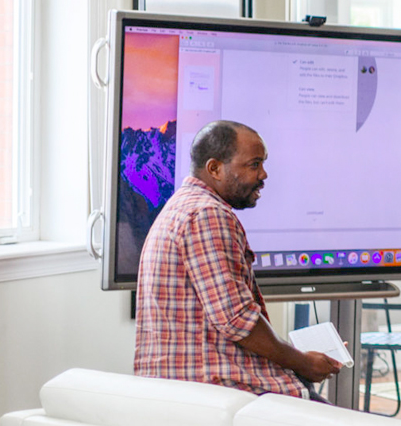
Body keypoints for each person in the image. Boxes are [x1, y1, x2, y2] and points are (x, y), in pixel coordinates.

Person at [134, 121, 340, 397]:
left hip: (192, 384)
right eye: (254, 164)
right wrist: (303, 363)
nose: (264, 174)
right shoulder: (207, 215)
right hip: (216, 388)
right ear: (215, 169)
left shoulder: (185, 205)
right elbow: (237, 320)